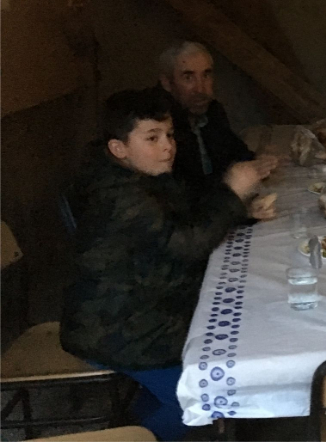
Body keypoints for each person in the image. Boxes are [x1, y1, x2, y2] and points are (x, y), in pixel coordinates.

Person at [60, 89, 271, 441]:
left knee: (238, 319)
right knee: (204, 394)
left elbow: (188, 218)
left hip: (141, 306)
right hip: (117, 326)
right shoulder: (119, 196)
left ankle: (134, 426)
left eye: (170, 135)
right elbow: (188, 244)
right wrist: (232, 193)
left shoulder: (140, 177)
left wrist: (239, 211)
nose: (168, 147)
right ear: (119, 148)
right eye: (152, 138)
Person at [157, 41, 276, 194]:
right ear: (167, 83)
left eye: (206, 75)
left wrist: (258, 161)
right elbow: (180, 189)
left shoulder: (213, 111)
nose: (200, 88)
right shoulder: (159, 125)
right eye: (188, 78)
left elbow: (236, 152)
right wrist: (231, 183)